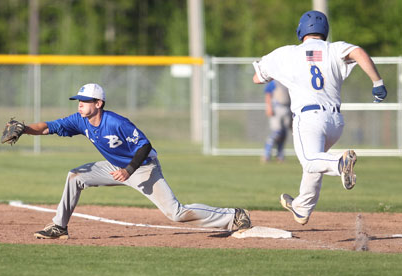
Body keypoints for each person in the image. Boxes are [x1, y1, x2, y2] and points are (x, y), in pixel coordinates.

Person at [19, 83, 251, 239]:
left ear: (98, 103)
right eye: (78, 100)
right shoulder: (80, 120)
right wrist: (25, 129)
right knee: (75, 176)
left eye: (85, 100)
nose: (79, 104)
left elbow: (145, 145)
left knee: (176, 213)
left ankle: (234, 216)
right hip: (116, 167)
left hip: (143, 168)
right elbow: (50, 127)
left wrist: (130, 170)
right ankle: (59, 226)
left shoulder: (117, 122)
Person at [252, 10, 387, 225]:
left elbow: (257, 78)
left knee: (309, 160)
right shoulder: (334, 49)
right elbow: (359, 52)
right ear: (325, 31)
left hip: (309, 118)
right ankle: (302, 207)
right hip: (335, 122)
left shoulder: (287, 53)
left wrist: (279, 73)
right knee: (314, 164)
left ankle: (340, 163)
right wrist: (377, 83)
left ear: (300, 31)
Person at [261, 80, 292, 163]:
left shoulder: (287, 80)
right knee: (276, 132)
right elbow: (268, 94)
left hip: (287, 108)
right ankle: (266, 154)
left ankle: (280, 156)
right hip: (276, 108)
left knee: (284, 134)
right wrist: (269, 107)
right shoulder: (274, 82)